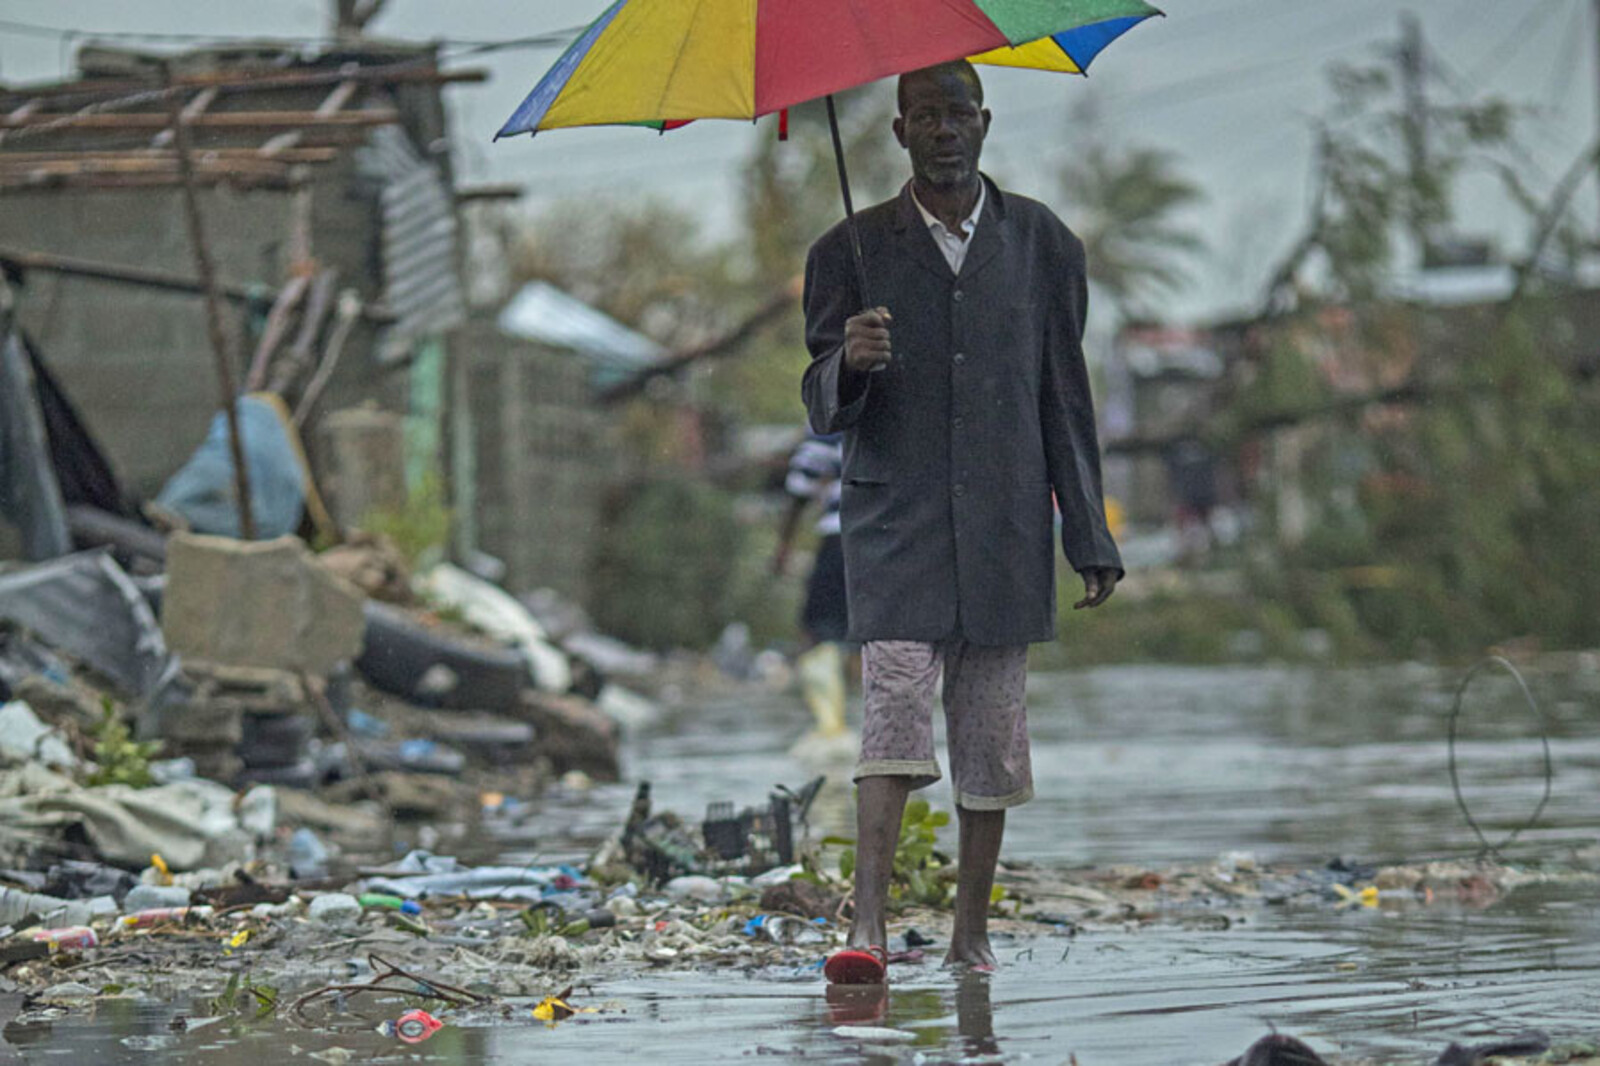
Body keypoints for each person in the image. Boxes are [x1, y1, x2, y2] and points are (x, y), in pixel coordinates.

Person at [801, 60, 1123, 981]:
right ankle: (865, 924)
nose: (944, 130)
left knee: (990, 729)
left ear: (984, 123)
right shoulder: (847, 251)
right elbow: (821, 405)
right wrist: (850, 363)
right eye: (924, 117)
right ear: (897, 133)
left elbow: (1065, 393)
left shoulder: (1043, 242)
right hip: (894, 525)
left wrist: (1088, 533)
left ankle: (969, 937)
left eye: (959, 115)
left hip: (1006, 525)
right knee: (894, 705)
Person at [771, 429, 850, 741]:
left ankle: (827, 722)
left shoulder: (828, 426)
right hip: (888, 540)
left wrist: (783, 547)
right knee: (869, 637)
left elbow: (799, 492)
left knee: (816, 632)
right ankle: (852, 721)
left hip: (839, 538)